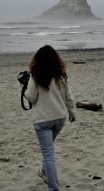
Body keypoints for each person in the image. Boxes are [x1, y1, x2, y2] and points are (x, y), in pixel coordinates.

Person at [24, 45, 76, 191]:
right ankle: (44, 172)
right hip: (59, 118)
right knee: (49, 150)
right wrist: (72, 113)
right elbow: (69, 97)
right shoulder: (60, 74)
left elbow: (31, 97)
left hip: (42, 120)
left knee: (48, 154)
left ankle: (54, 188)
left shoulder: (35, 75)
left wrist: (24, 87)